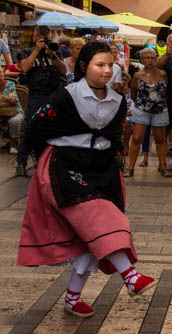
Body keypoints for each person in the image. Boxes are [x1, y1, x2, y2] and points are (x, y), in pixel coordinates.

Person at [17, 41, 156, 319]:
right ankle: (130, 276)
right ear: (84, 66)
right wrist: (41, 163)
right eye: (99, 65)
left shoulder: (118, 101)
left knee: (90, 239)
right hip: (66, 168)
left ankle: (72, 298)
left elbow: (115, 137)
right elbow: (34, 129)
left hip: (102, 169)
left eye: (110, 65)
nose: (106, 71)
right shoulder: (65, 96)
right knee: (102, 219)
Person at [16, 26, 66, 177]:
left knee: (50, 129)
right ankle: (21, 162)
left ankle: (43, 162)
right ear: (35, 37)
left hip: (53, 95)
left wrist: (53, 56)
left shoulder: (54, 51)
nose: (44, 39)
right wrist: (36, 51)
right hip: (36, 95)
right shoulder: (27, 52)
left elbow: (64, 70)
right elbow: (24, 67)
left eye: (47, 36)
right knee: (31, 128)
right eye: (41, 36)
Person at [125, 48, 171, 177]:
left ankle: (163, 166)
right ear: (142, 60)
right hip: (142, 109)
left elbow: (165, 91)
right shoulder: (137, 75)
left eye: (152, 57)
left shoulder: (162, 74)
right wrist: (141, 103)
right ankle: (130, 167)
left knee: (160, 139)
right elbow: (133, 93)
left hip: (160, 109)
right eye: (147, 58)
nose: (150, 60)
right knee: (137, 138)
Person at [0, 66, 24, 154]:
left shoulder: (10, 84)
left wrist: (4, 102)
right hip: (1, 112)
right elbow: (9, 100)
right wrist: (6, 99)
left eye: (1, 72)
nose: (0, 75)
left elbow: (13, 101)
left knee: (15, 121)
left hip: (15, 111)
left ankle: (13, 144)